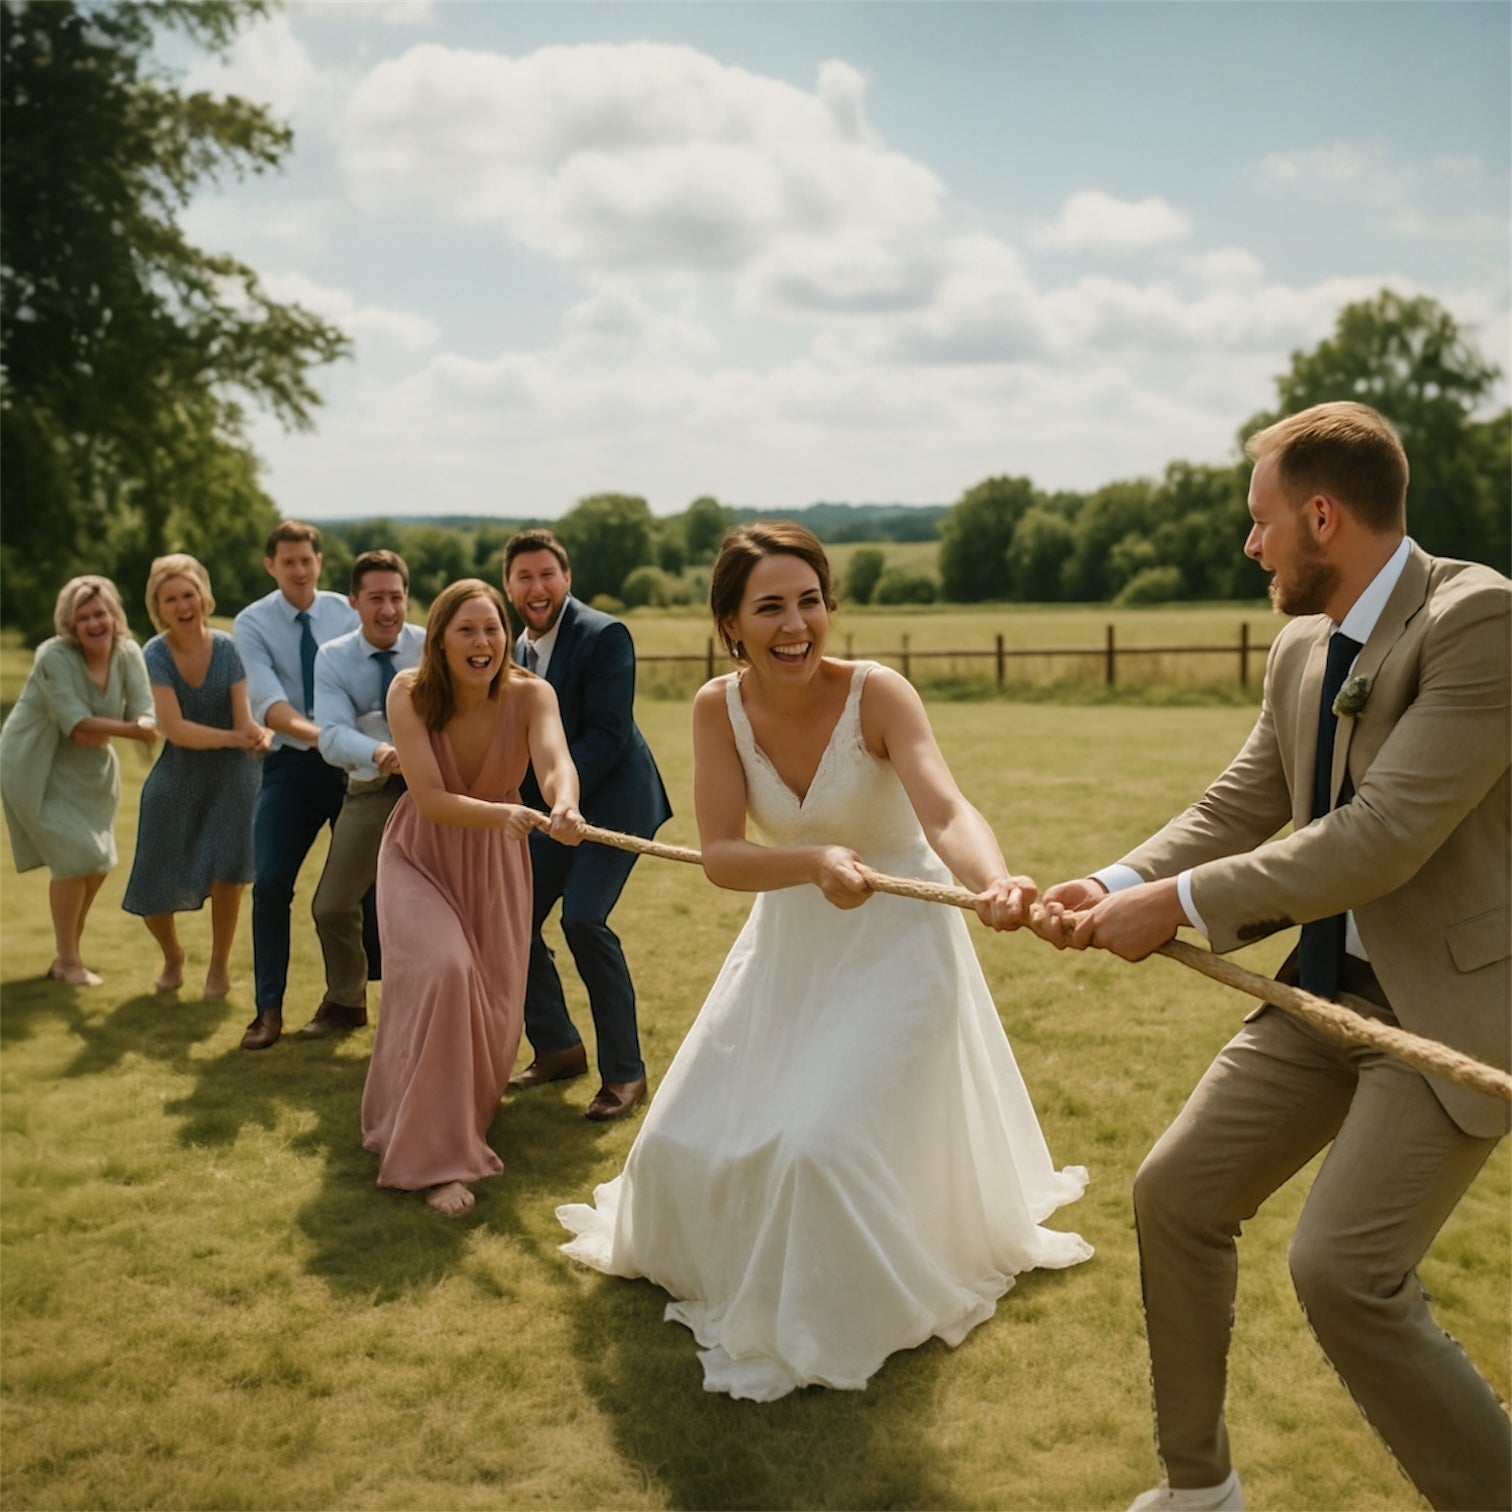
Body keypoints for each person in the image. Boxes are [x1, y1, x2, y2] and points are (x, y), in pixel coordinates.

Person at [1036, 402, 1511, 1512]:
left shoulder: (1480, 620)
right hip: (1320, 997)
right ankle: (1199, 1489)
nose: (1251, 546)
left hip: (1444, 1012)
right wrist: (1112, 882)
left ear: (1322, 517)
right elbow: (1242, 800)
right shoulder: (1301, 643)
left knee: (1342, 1272)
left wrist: (1176, 905)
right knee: (1175, 1196)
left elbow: (1382, 835)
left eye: (1261, 522)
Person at [558, 522, 1091, 1400]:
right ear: (731, 624)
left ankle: (834, 1305)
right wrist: (809, 862)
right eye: (770, 607)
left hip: (902, 953)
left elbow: (947, 811)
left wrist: (995, 882)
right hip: (789, 952)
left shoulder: (880, 694)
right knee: (674, 1151)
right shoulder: (716, 708)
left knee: (815, 1151)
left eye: (810, 601)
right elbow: (723, 854)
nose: (795, 624)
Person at [360, 579, 583, 1216]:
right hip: (420, 858)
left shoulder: (532, 693)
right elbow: (430, 798)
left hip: (494, 864)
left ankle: (452, 1117)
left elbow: (554, 760)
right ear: (440, 640)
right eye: (467, 630)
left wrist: (564, 803)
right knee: (445, 971)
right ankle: (435, 1161)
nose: (483, 642)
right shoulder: (408, 693)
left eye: (492, 629)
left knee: (490, 1005)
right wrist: (501, 814)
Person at [500, 528, 672, 1121]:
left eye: (547, 574)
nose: (537, 587)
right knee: (512, 916)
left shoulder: (604, 635)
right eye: (524, 577)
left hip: (616, 803)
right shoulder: (510, 650)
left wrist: (560, 796)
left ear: (566, 578)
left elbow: (608, 733)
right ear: (508, 586)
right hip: (553, 809)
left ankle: (625, 1073)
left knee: (583, 919)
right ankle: (558, 1048)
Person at [233, 521, 360, 1050]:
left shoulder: (346, 613)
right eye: (288, 562)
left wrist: (350, 746)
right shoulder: (252, 623)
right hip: (291, 766)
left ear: (319, 561)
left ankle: (349, 1001)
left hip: (353, 768)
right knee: (270, 884)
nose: (299, 570)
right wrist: (327, 737)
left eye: (307, 560)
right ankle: (268, 1011)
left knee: (366, 887)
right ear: (271, 566)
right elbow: (269, 705)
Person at [120, 555, 270, 995]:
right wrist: (236, 738)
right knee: (152, 883)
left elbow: (244, 718)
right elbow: (177, 730)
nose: (182, 605)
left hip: (234, 778)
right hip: (178, 774)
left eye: (188, 594)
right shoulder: (155, 653)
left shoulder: (229, 648)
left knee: (229, 875)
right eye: (170, 599)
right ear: (158, 608)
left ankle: (218, 968)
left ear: (203, 597)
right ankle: (173, 955)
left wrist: (255, 735)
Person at [0, 576, 157, 986]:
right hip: (35, 765)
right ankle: (70, 962)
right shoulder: (52, 656)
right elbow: (79, 727)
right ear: (70, 625)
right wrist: (135, 730)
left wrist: (144, 722)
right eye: (83, 617)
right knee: (76, 859)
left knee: (97, 863)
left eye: (100, 613)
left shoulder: (128, 652)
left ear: (114, 616)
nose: (93, 623)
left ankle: (65, 954)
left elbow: (144, 708)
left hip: (92, 773)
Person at [299, 549, 426, 1039]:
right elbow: (331, 736)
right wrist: (380, 752)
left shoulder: (431, 646)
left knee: (427, 909)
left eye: (396, 597)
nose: (388, 609)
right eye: (376, 599)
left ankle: (429, 1008)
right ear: (353, 602)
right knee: (331, 906)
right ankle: (346, 1001)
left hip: (432, 791)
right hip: (370, 790)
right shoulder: (333, 657)